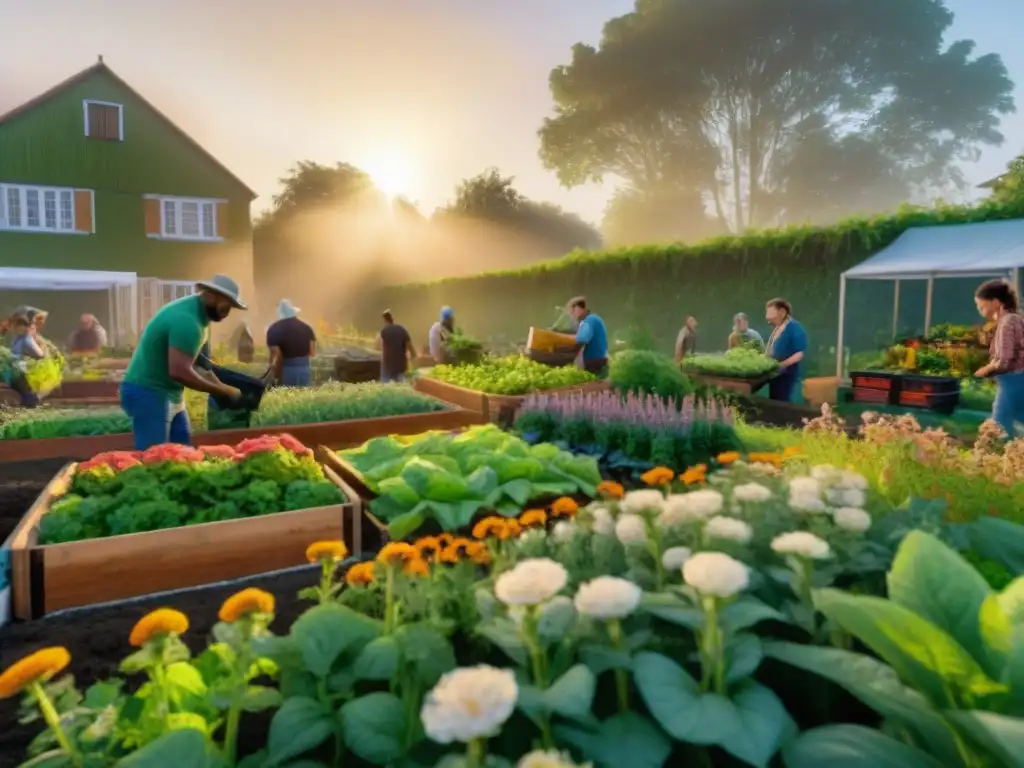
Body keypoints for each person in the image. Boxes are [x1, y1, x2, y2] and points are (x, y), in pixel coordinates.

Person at [120, 274, 245, 450]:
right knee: (155, 457)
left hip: (170, 392)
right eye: (225, 304)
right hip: (149, 392)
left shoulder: (199, 319)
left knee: (184, 453)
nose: (227, 311)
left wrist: (220, 385)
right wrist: (222, 390)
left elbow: (199, 364)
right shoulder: (187, 321)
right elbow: (179, 371)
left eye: (231, 306)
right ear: (210, 295)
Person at [973, 279, 1024, 438]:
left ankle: (1000, 458)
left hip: (1013, 380)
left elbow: (1004, 360)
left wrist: (985, 370)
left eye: (981, 306)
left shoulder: (1007, 322)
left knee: (999, 426)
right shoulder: (1016, 318)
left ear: (995, 302)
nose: (979, 309)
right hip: (1018, 379)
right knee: (1016, 419)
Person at [764, 298, 808, 402]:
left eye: (771, 314)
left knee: (784, 406)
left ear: (782, 312)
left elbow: (799, 354)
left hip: (788, 378)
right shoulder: (777, 328)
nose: (768, 319)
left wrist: (782, 365)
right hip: (775, 376)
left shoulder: (794, 328)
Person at [267, 299, 316, 387]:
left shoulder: (274, 329)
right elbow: (312, 353)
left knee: (287, 397)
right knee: (303, 398)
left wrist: (276, 376)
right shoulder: (307, 328)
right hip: (304, 371)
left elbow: (276, 356)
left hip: (286, 372)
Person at [567, 296, 609, 376]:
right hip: (600, 358)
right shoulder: (592, 319)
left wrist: (565, 339)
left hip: (594, 361)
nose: (572, 314)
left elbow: (583, 338)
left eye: (573, 311)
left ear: (579, 309)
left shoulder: (589, 320)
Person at [379, 309, 415, 383]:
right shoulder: (402, 330)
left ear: (384, 320)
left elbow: (382, 350)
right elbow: (412, 350)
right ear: (392, 319)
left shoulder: (384, 331)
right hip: (401, 368)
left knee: (387, 390)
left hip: (388, 369)